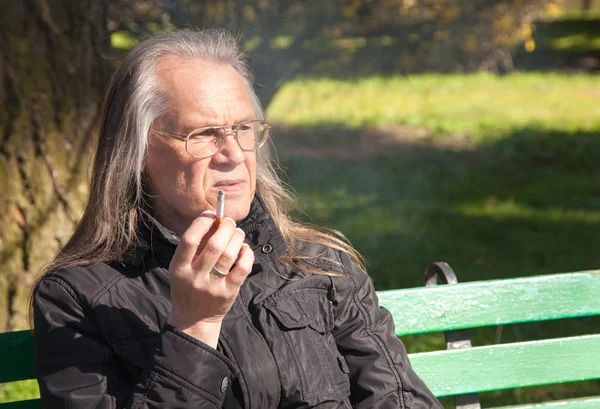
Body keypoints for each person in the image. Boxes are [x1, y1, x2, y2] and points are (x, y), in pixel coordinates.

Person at [32, 29, 442, 409]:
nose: (233, 153)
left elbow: (398, 398)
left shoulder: (319, 265)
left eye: (244, 128)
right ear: (138, 152)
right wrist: (194, 326)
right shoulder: (76, 297)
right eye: (204, 134)